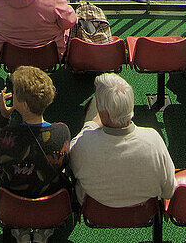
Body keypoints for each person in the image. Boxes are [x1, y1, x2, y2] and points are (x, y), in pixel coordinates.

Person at [0, 65, 71, 243]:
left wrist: (3, 118)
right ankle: (45, 228)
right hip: (51, 201)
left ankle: (20, 228)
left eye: (15, 92)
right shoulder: (62, 132)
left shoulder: (5, 137)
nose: (12, 94)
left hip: (13, 205)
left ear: (24, 105)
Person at [69, 73, 175, 209]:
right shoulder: (153, 140)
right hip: (142, 213)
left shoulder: (84, 144)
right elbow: (169, 191)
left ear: (105, 114)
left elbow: (71, 158)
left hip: (97, 212)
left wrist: (91, 125)